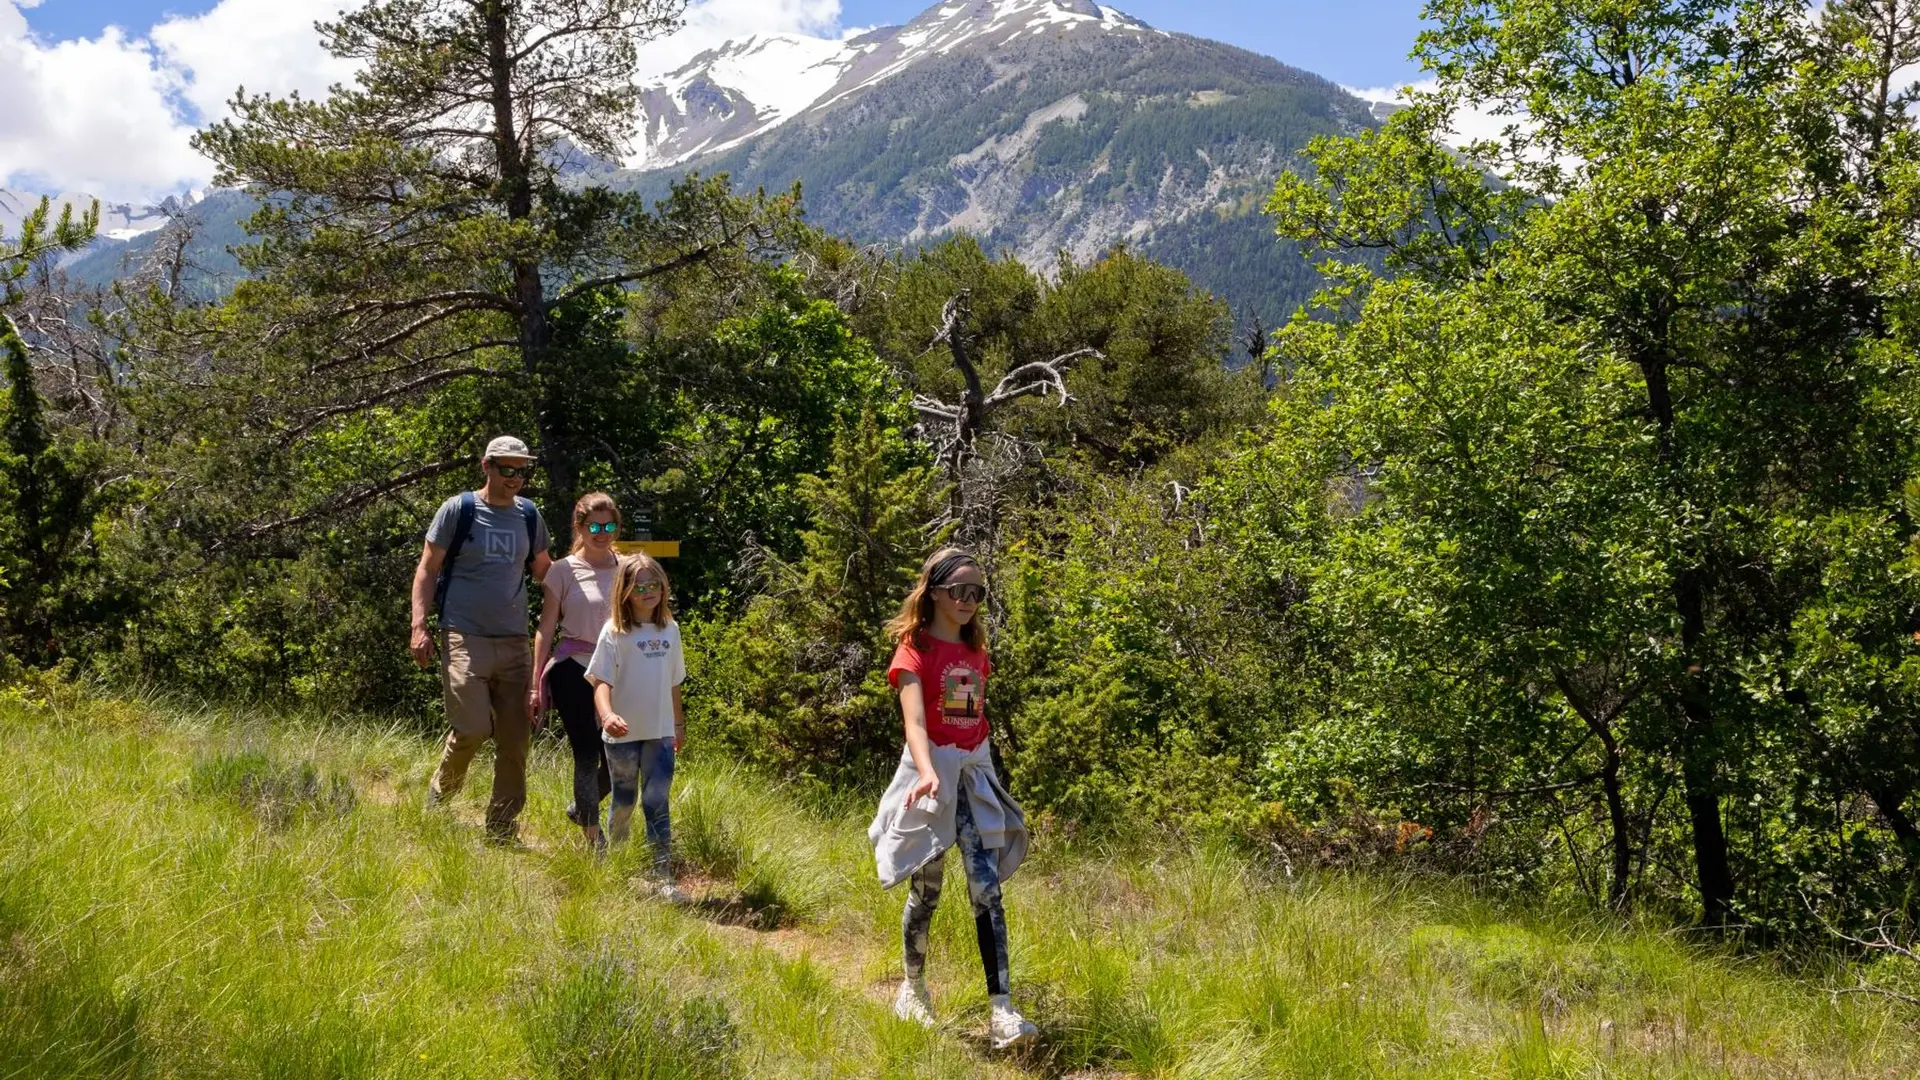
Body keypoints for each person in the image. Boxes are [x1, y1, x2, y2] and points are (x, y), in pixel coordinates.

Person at [868, 547, 1036, 1050]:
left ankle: (1002, 1009)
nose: (968, 600)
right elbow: (915, 723)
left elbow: (974, 717)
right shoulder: (914, 650)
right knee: (928, 889)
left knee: (987, 889)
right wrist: (926, 771)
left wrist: (983, 768)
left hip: (972, 777)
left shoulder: (975, 649)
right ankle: (913, 990)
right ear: (934, 591)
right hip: (931, 778)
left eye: (977, 592)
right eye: (959, 590)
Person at [409, 436, 552, 840]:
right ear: (486, 466)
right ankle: (440, 795)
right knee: (472, 728)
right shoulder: (460, 509)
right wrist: (419, 625)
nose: (515, 478)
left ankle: (502, 827)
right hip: (463, 634)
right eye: (507, 469)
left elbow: (545, 570)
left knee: (515, 740)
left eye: (521, 470)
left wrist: (598, 571)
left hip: (514, 641)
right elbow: (427, 569)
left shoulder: (529, 515)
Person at [584, 553, 688, 900]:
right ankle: (619, 867)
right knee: (624, 802)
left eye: (653, 584)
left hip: (660, 734)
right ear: (625, 591)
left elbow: (674, 682)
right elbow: (600, 681)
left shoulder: (670, 629)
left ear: (663, 587)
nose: (648, 591)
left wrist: (678, 724)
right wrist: (607, 716)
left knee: (657, 802)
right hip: (622, 737)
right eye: (639, 586)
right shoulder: (614, 632)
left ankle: (662, 876)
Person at [533, 491, 622, 851]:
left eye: (609, 526)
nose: (602, 533)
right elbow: (546, 627)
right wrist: (534, 684)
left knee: (620, 759)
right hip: (573, 669)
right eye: (594, 526)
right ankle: (594, 839)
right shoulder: (563, 570)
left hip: (617, 671)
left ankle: (581, 809)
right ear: (579, 527)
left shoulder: (627, 567)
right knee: (586, 753)